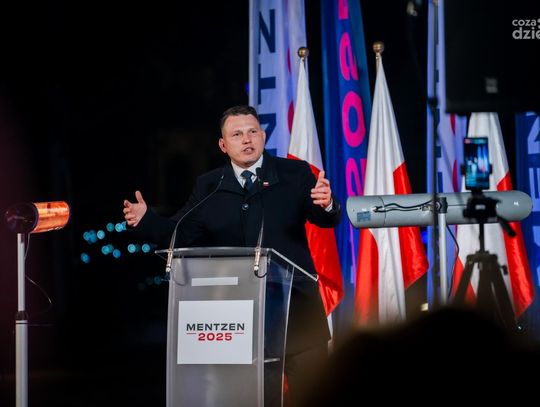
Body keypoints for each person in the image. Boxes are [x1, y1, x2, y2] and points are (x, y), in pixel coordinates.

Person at [123, 105, 341, 404]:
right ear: (223, 145)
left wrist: (327, 203)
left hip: (297, 316)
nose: (247, 139)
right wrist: (146, 219)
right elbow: (180, 233)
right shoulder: (209, 185)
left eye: (253, 131)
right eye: (237, 134)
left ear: (263, 136)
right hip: (238, 322)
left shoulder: (294, 173)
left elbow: (324, 218)